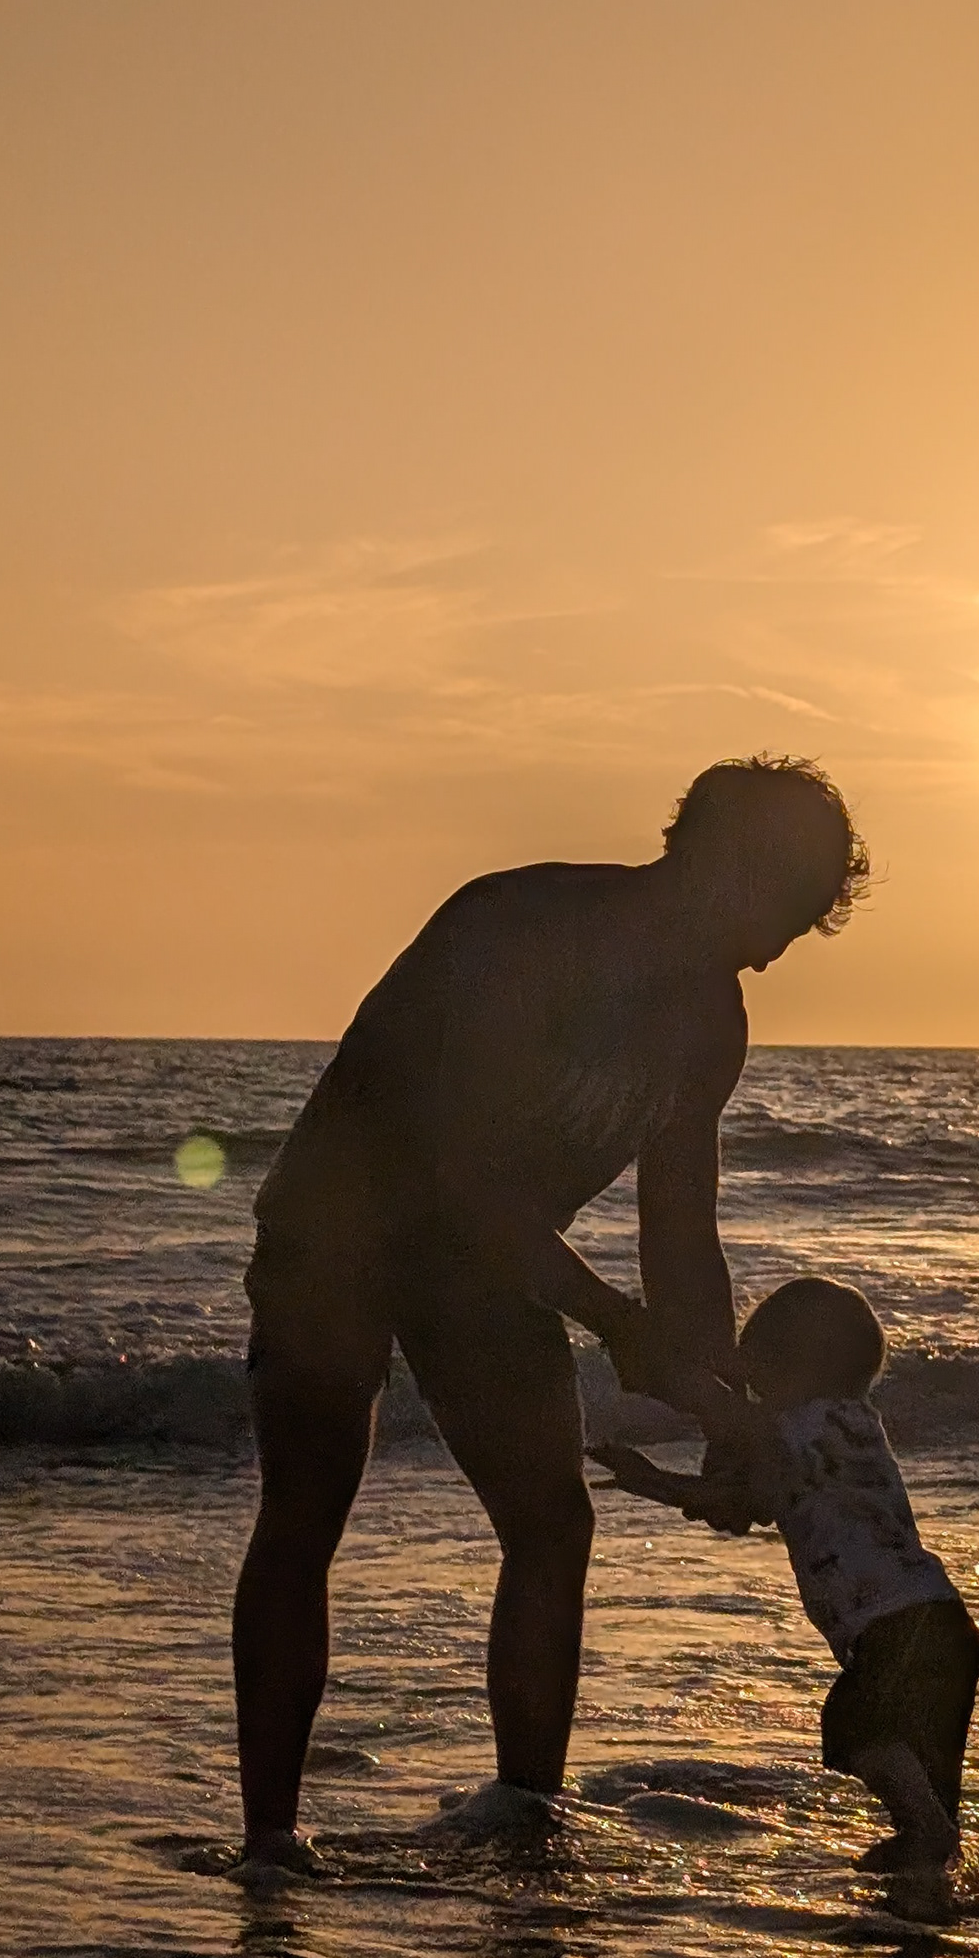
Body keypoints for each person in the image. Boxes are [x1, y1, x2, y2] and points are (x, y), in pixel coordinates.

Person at [233, 756, 868, 1865]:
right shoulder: (522, 925)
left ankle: (525, 1814)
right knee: (308, 1506)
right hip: (340, 1225)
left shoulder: (712, 1023)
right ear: (721, 862)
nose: (774, 951)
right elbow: (468, 1175)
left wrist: (728, 1406)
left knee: (552, 1521)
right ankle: (271, 1840)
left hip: (487, 1267)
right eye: (783, 912)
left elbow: (681, 1230)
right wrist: (614, 1323)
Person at [592, 1276, 979, 1878]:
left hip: (893, 1627)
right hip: (943, 1622)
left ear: (789, 1371)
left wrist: (656, 1480)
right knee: (926, 1770)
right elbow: (756, 1501)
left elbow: (741, 1497)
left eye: (758, 1372)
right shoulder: (856, 1423)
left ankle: (926, 1841)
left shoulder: (792, 1430)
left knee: (853, 1726)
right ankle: (927, 1876)